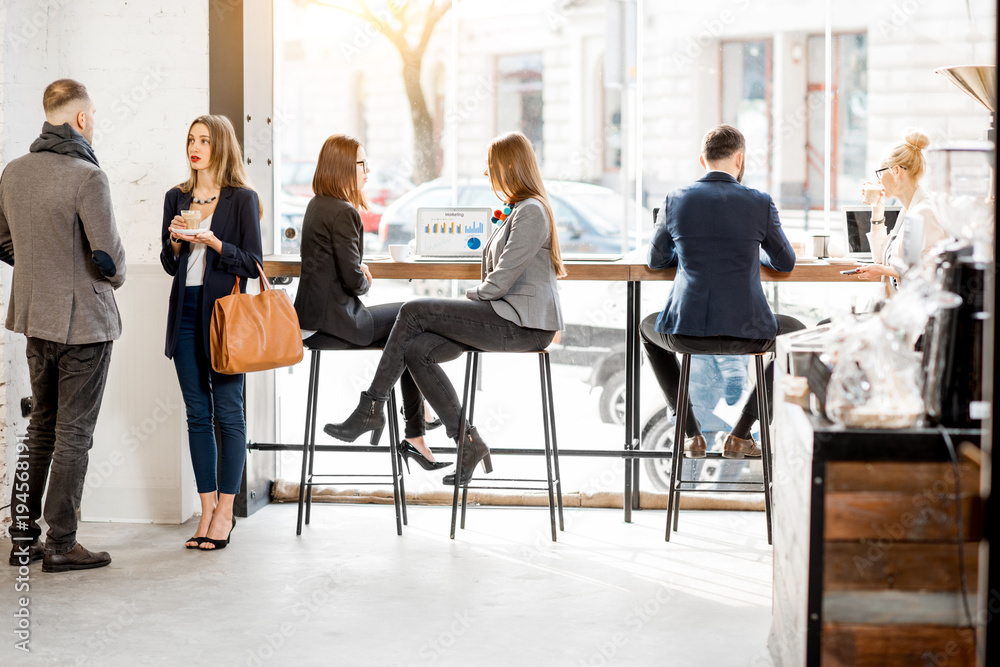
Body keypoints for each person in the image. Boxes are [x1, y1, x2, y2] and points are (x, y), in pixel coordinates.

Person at [324, 131, 565, 485]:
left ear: (510, 166)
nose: (487, 175)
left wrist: (463, 301)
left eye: (491, 167)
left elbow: (499, 281)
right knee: (418, 348)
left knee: (414, 310)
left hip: (522, 325)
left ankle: (371, 407)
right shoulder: (521, 209)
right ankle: (467, 441)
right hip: (506, 316)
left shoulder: (531, 211)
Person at [0, 79, 126, 572]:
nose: (93, 121)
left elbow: (3, 243)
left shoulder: (13, 172)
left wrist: (41, 274)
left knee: (41, 429)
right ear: (79, 119)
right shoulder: (87, 176)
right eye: (91, 114)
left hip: (37, 320)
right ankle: (62, 544)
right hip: (85, 325)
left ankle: (22, 538)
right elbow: (109, 259)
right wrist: (92, 277)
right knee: (74, 434)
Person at [639, 124, 804, 460]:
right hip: (749, 334)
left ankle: (690, 433)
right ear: (740, 159)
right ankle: (742, 434)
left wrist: (686, 252)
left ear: (703, 160)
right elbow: (785, 263)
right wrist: (749, 248)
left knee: (646, 327)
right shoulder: (760, 202)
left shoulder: (675, 200)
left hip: (685, 332)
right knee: (798, 338)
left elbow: (656, 261)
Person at [294, 134, 447, 472]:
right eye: (363, 163)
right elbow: (354, 282)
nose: (368, 170)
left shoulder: (317, 204)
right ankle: (404, 420)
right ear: (346, 169)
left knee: (408, 337)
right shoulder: (344, 212)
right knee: (413, 315)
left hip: (309, 322)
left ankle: (412, 431)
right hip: (334, 323)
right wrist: (366, 275)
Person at [160, 115, 263, 550]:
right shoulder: (176, 196)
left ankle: (226, 511)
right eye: (190, 140)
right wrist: (178, 244)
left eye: (204, 140)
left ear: (221, 147)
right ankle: (205, 511)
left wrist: (216, 243)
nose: (195, 147)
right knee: (197, 414)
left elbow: (254, 263)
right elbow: (169, 265)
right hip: (184, 314)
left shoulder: (242, 199)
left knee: (228, 411)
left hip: (223, 319)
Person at [853, 129, 949, 289]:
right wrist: (877, 211)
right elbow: (880, 258)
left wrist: (885, 271)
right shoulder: (907, 210)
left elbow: (932, 275)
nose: (878, 179)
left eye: (880, 173)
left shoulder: (925, 212)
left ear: (896, 171)